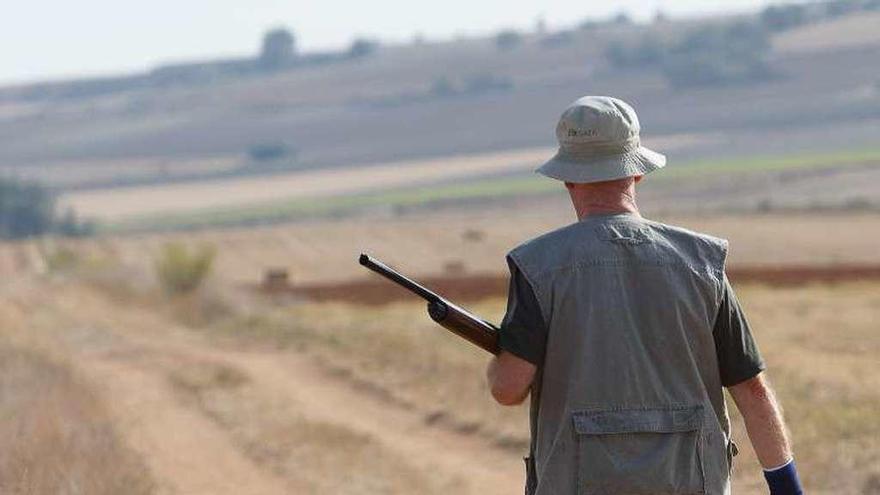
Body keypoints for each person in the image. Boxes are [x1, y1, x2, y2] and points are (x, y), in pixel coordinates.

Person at [485, 96, 803, 495]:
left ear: (567, 178)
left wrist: (498, 359)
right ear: (637, 174)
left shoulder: (538, 266)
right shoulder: (701, 261)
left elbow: (508, 388)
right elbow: (751, 390)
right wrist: (787, 488)